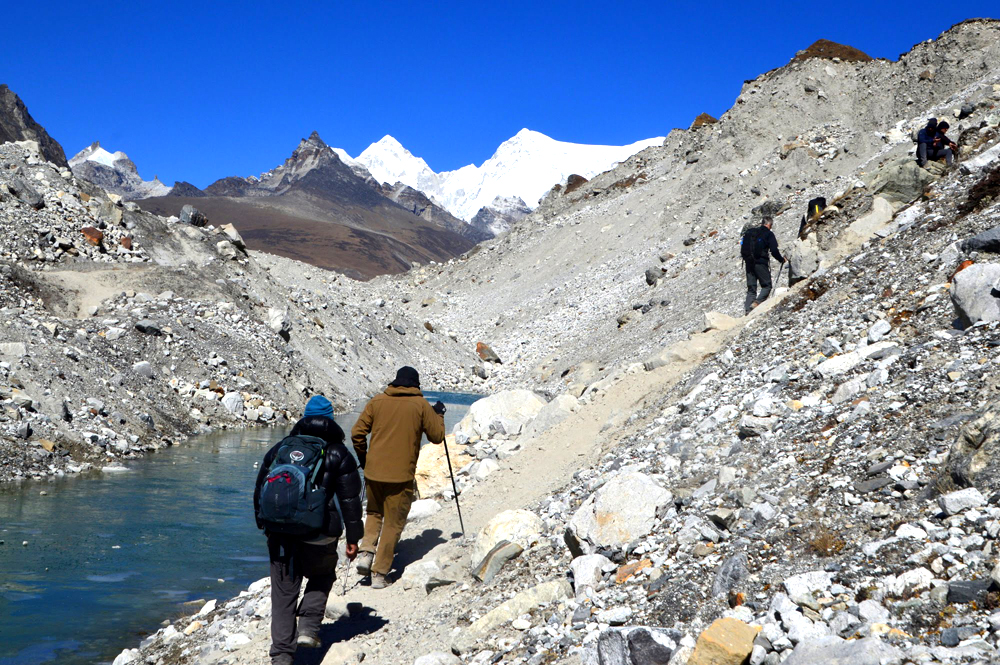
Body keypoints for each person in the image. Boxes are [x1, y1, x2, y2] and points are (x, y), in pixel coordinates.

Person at [253, 395, 363, 665]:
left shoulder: (281, 448)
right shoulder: (338, 452)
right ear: (331, 419)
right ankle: (309, 628)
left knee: (283, 594)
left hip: (280, 534)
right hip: (319, 534)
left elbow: (259, 490)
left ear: (304, 417)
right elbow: (350, 500)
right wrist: (353, 537)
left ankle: (281, 655)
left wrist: (263, 525)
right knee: (323, 574)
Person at [351, 366, 445, 589]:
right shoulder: (420, 405)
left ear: (395, 382)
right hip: (400, 477)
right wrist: (438, 414)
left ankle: (366, 552)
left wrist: (365, 460)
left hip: (373, 473)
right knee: (393, 523)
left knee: (374, 512)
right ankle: (380, 574)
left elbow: (357, 434)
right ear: (416, 385)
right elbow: (437, 436)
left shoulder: (378, 401)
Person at [742, 217, 785, 313]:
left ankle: (747, 311)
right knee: (767, 286)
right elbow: (774, 250)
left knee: (751, 289)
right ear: (769, 224)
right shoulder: (769, 234)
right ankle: (756, 303)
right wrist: (781, 259)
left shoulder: (751, 233)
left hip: (748, 263)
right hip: (760, 262)